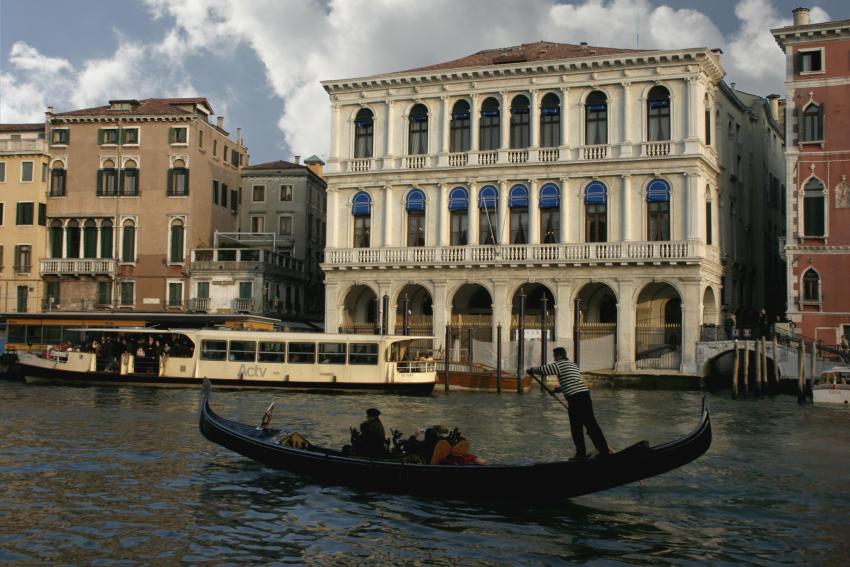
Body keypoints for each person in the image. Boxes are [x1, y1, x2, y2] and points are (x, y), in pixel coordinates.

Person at [528, 347, 610, 461]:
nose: (555, 359)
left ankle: (581, 454)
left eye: (555, 357)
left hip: (575, 398)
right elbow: (570, 382)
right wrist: (556, 390)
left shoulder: (559, 364)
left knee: (576, 428)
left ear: (559, 356)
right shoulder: (573, 365)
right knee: (591, 424)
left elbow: (544, 370)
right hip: (585, 395)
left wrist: (531, 370)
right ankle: (603, 450)